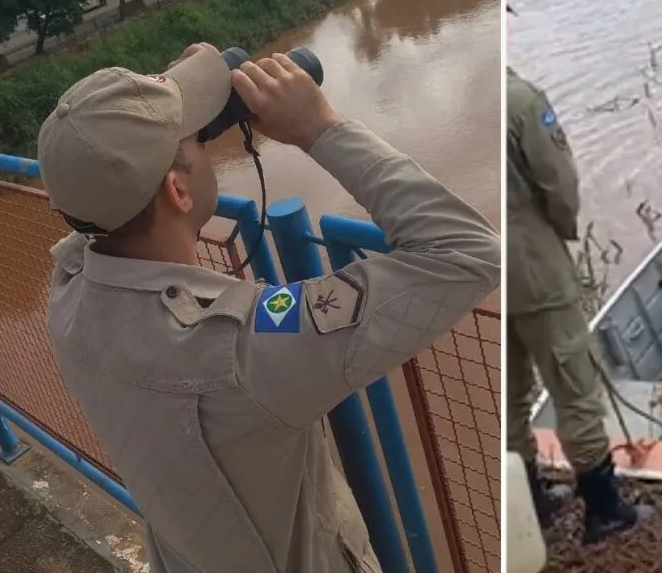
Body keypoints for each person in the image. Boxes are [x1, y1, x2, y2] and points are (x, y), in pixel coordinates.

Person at [36, 43, 501, 573]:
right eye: (198, 139)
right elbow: (469, 252)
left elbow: (97, 193)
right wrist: (319, 128)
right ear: (177, 191)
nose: (208, 143)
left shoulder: (68, 293)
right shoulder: (240, 349)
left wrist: (165, 104)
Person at [506, 63, 653, 544]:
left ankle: (532, 504)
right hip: (531, 263)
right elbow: (559, 186)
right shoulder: (522, 99)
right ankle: (605, 511)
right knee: (575, 385)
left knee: (508, 396)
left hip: (480, 265)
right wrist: (557, 234)